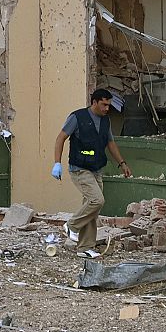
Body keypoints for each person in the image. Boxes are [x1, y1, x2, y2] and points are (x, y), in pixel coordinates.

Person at [52, 89, 132, 258]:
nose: (106, 108)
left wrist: (122, 163)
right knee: (97, 201)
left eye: (108, 105)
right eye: (103, 104)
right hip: (79, 168)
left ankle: (85, 248)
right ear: (94, 102)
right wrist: (57, 163)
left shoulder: (105, 121)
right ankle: (71, 226)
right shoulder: (77, 117)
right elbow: (61, 138)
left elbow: (110, 143)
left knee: (91, 208)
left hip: (97, 169)